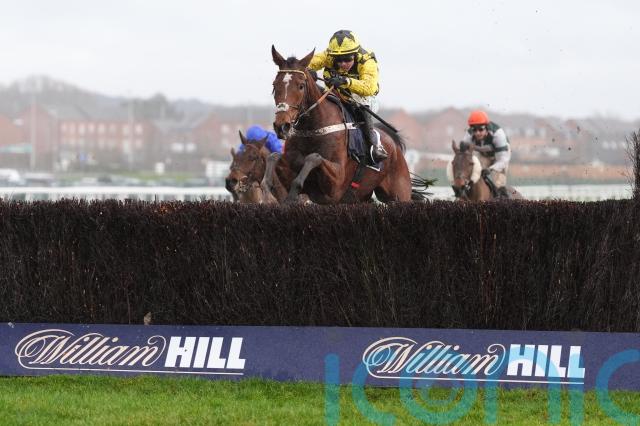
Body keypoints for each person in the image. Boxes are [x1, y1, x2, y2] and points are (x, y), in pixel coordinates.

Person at [309, 30, 388, 162]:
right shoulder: (328, 55)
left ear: (355, 54)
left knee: (360, 98)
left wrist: (346, 81)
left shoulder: (367, 61)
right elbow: (305, 64)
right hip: (334, 94)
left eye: (347, 59)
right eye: (338, 60)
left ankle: (374, 145)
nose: (343, 63)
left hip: (363, 99)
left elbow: (369, 88)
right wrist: (308, 70)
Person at [461, 110, 512, 198]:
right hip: (484, 154)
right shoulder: (468, 135)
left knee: (498, 181)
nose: (477, 133)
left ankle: (503, 197)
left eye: (481, 129)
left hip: (500, 156)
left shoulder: (498, 134)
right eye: (474, 130)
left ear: (487, 128)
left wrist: (490, 169)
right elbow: (463, 156)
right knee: (476, 172)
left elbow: (503, 160)